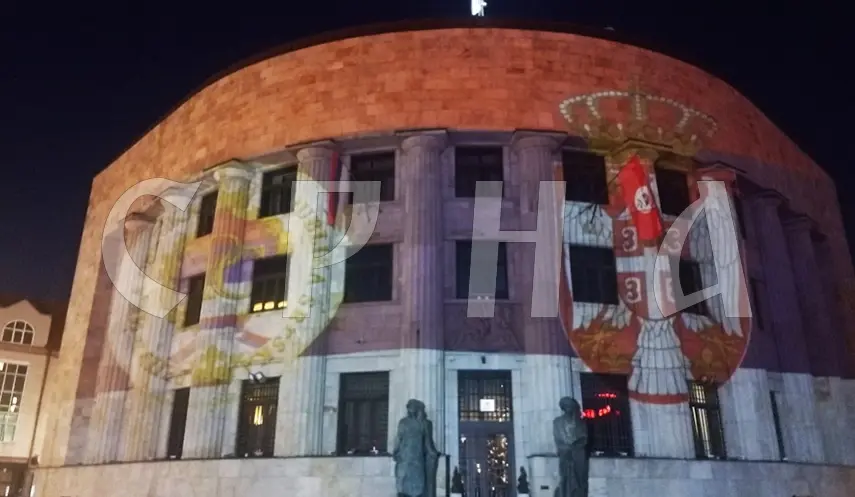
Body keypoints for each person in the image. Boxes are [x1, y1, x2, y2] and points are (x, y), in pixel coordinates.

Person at [552, 397, 589, 497]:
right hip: (565, 455)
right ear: (563, 408)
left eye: (570, 406)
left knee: (580, 481)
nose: (569, 408)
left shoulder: (581, 423)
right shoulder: (557, 422)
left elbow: (584, 438)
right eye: (566, 406)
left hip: (578, 455)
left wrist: (576, 446)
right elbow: (558, 440)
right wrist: (566, 448)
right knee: (565, 479)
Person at [394, 399, 429, 497]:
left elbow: (427, 443)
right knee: (403, 481)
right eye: (409, 407)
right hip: (405, 456)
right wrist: (395, 451)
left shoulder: (422, 423)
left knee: (417, 483)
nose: (411, 409)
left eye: (413, 407)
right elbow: (398, 438)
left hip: (417, 457)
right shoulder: (403, 422)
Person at [416, 401, 440, 497]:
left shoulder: (426, 423)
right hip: (418, 457)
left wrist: (432, 453)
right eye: (421, 410)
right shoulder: (415, 424)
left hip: (425, 456)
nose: (423, 413)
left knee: (429, 482)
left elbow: (428, 441)